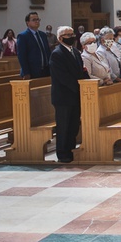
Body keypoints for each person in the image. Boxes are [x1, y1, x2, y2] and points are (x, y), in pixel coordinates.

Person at [49, 26, 90, 163]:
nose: (72, 37)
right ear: (60, 38)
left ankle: (71, 150)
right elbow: (63, 77)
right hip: (63, 96)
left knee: (73, 126)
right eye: (68, 35)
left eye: (72, 34)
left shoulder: (76, 52)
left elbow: (82, 70)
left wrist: (89, 83)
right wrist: (78, 87)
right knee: (63, 126)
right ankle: (62, 153)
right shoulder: (57, 54)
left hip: (75, 95)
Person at [16, 12, 52, 79]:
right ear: (27, 22)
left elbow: (47, 52)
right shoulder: (23, 36)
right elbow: (22, 56)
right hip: (32, 71)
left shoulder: (43, 35)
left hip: (46, 70)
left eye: (38, 19)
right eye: (34, 20)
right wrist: (26, 72)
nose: (37, 21)